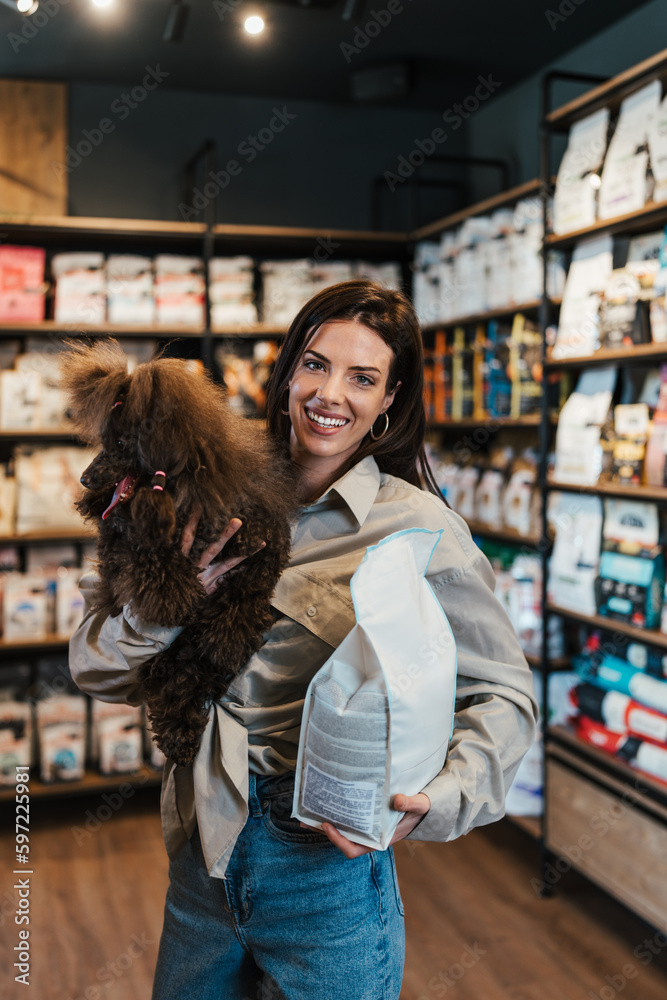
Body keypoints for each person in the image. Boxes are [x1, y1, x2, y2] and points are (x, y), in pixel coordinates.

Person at [69, 279, 538, 1000]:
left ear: (388, 401)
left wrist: (443, 796)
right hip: (202, 855)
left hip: (327, 870)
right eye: (315, 365)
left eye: (363, 378)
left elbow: (501, 690)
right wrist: (171, 605)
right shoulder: (200, 488)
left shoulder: (420, 528)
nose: (330, 394)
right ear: (287, 371)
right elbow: (95, 667)